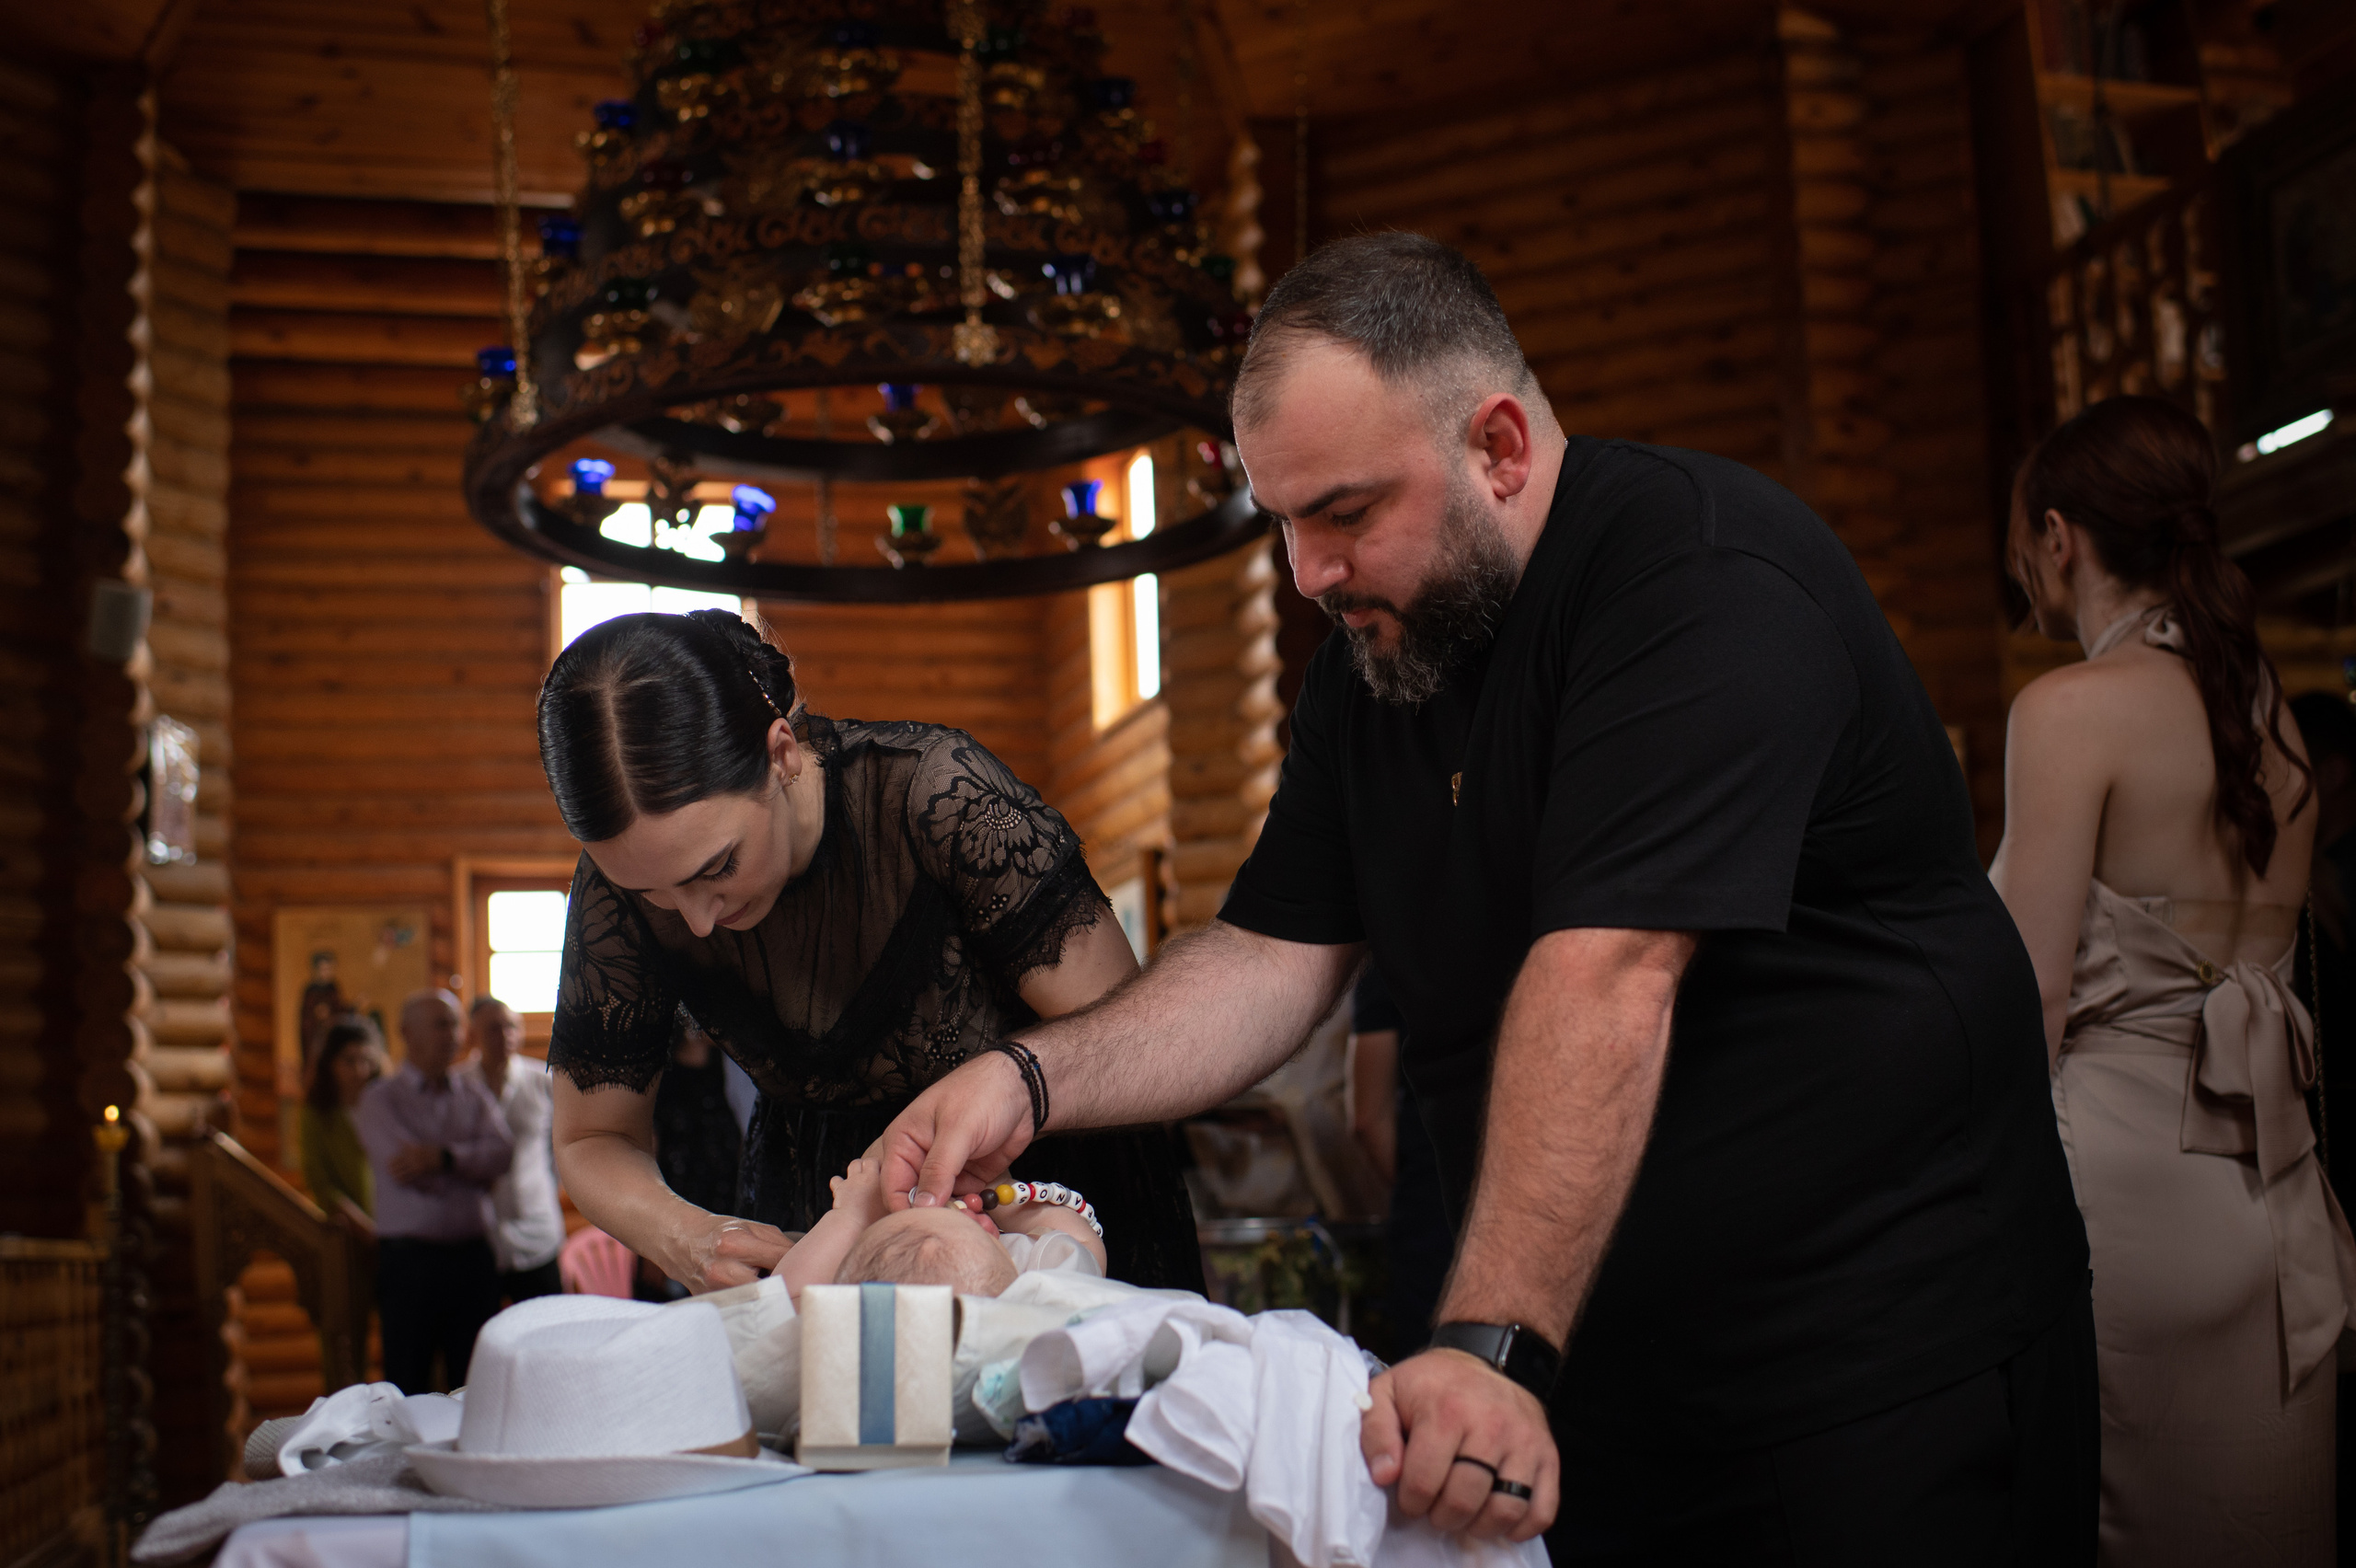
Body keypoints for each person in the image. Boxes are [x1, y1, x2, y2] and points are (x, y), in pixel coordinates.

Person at [877, 233, 2096, 1559]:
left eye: (1343, 514)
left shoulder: (1695, 577)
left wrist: (1489, 1343)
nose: (1307, 576)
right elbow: (1268, 956)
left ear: (1501, 448)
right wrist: (1029, 1078)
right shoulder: (1370, 667)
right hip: (1598, 1377)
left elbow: (1608, 970)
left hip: (1868, 1362)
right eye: (1284, 524)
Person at [536, 608, 1202, 1296]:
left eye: (718, 866)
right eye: (653, 892)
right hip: (819, 1215)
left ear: (781, 753)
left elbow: (1131, 1046)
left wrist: (1006, 1105)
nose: (698, 921)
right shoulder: (619, 892)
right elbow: (591, 1138)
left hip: (1036, 1205)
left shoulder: (942, 802)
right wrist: (684, 1235)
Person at [1990, 395, 2356, 1565]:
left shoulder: (2067, 714)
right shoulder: (2273, 723)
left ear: (2058, 538)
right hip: (2267, 1190)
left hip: (2118, 1200)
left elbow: (2028, 1002)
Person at [354, 988, 514, 1393]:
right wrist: (469, 1166)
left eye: (456, 1025)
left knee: (478, 1386)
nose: (454, 1034)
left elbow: (502, 1154)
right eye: (441, 1024)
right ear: (407, 1033)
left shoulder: (473, 1093)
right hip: (411, 1265)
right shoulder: (379, 1100)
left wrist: (445, 1158)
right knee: (409, 1385)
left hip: (473, 1261)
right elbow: (408, 1170)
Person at [1345, 966, 1451, 1358]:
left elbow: (1367, 1118)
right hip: (1561, 1208)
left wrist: (1437, 1187)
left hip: (1433, 1212)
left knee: (1432, 1396)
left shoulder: (1395, 946)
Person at [460, 996, 568, 1302]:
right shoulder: (459, 1087)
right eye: (494, 1028)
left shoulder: (544, 1082)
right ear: (472, 1035)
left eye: (511, 1027)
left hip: (537, 1231)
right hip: (479, 1237)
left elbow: (558, 1153)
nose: (505, 1036)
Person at [299, 1016, 382, 1226]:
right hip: (345, 1230)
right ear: (331, 1063)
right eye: (349, 1061)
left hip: (393, 1223)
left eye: (366, 1061)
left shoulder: (383, 1107)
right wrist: (364, 1226)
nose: (360, 1071)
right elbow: (321, 1182)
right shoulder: (317, 1114)